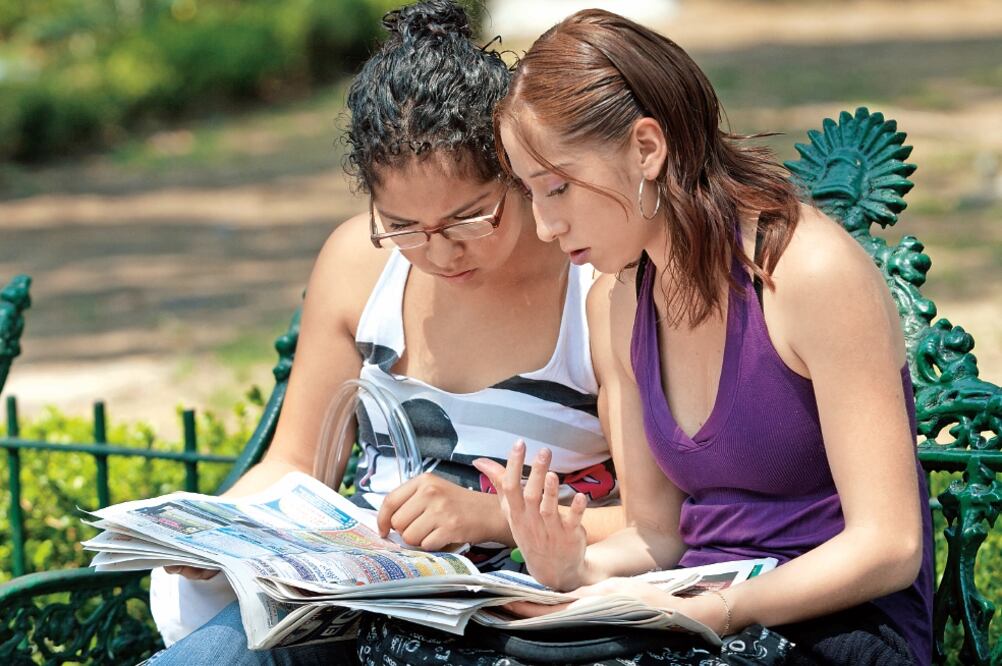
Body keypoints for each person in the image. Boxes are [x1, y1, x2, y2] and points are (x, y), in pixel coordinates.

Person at [143, 2, 624, 663]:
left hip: (518, 618)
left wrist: (494, 517)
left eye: (468, 219)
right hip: (346, 604)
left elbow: (662, 522)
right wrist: (216, 533)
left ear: (516, 172)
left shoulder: (591, 288)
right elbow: (295, 467)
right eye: (401, 224)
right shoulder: (357, 264)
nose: (439, 252)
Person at [477, 8, 934, 665]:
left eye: (557, 188)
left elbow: (890, 546)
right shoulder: (622, 299)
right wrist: (575, 566)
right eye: (530, 194)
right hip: (698, 616)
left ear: (646, 149)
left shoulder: (806, 271)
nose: (545, 226)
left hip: (840, 624)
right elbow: (658, 537)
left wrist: (720, 611)